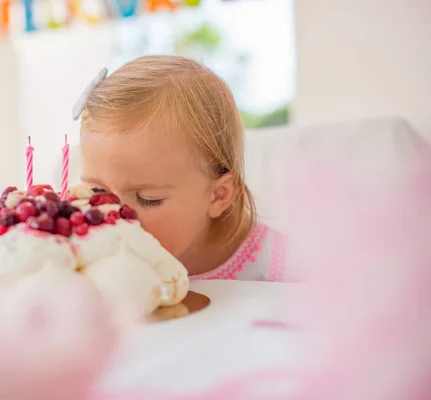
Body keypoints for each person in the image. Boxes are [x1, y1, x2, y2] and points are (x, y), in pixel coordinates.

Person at [75, 55, 290, 282]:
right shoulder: (88, 259)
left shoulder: (285, 268)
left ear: (218, 196)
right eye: (98, 193)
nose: (116, 215)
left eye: (148, 198)